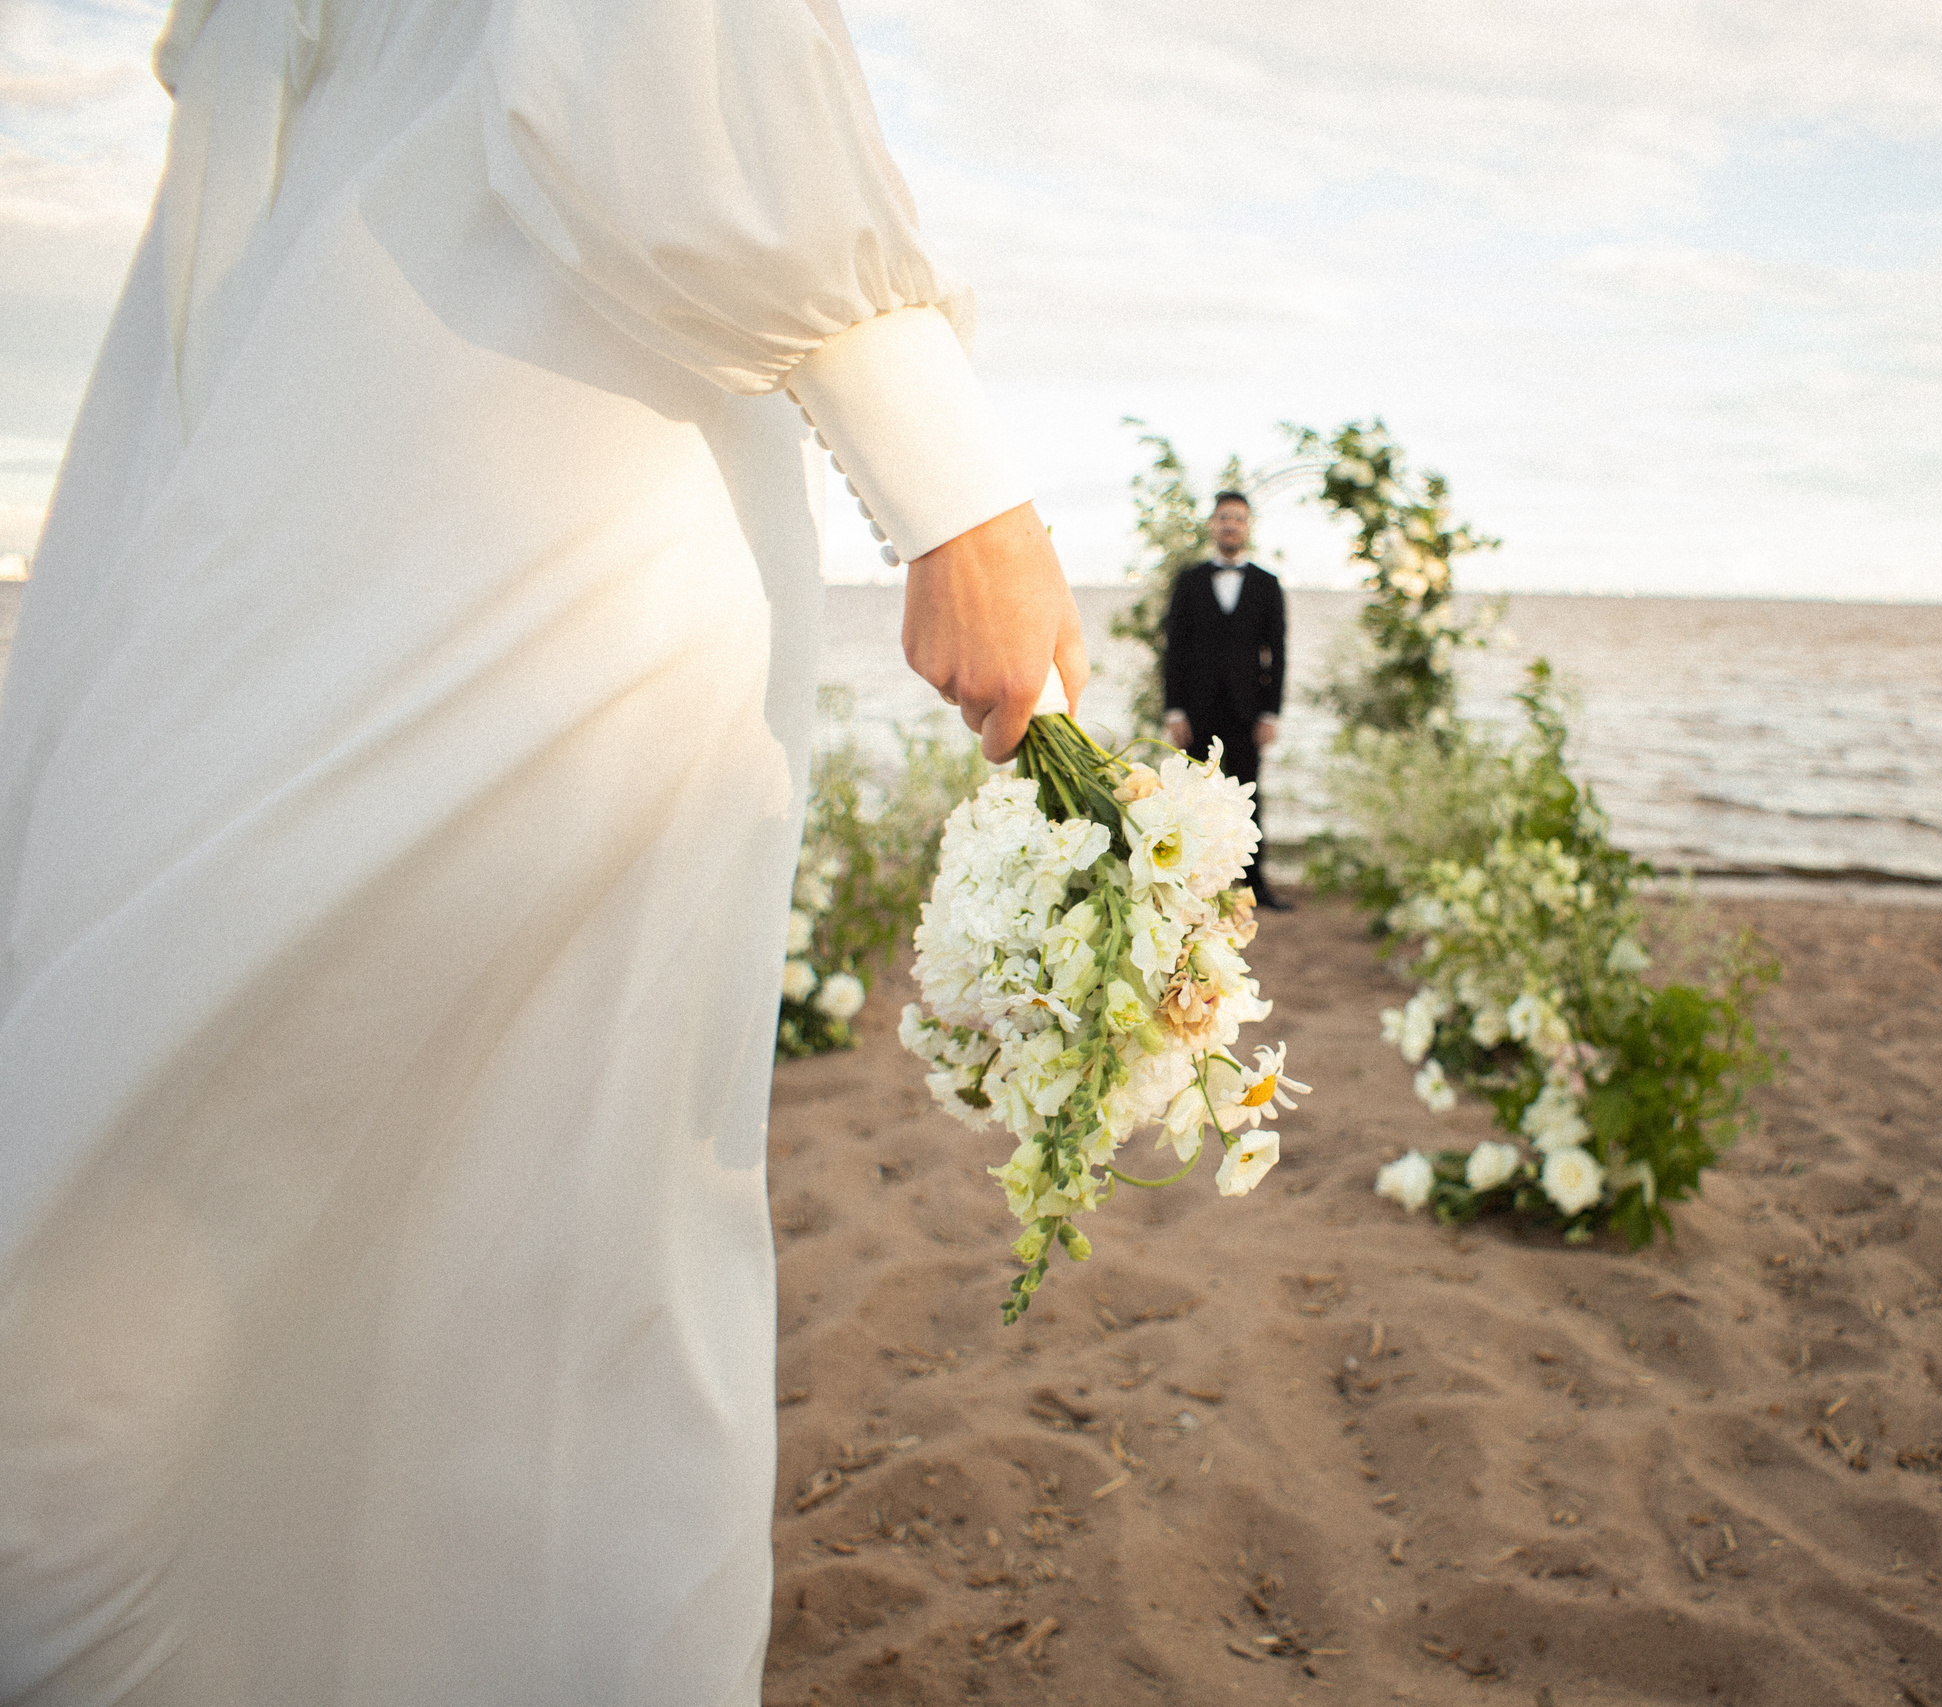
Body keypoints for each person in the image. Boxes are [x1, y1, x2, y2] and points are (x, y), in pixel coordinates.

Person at [0, 3, 1081, 1702]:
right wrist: (947, 478)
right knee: (324, 1193)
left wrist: (939, 468)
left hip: (446, 425)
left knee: (534, 1214)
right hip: (467, 458)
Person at [1161, 490, 1291, 909]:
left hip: (1247, 710)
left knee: (1250, 794)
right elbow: (1175, 649)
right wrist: (1174, 710)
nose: (1230, 525)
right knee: (1193, 793)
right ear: (1213, 525)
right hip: (1195, 711)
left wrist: (1271, 712)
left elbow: (1277, 652)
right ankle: (1189, 881)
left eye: (1237, 518)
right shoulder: (1189, 580)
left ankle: (1255, 886)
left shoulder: (1267, 585)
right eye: (1223, 518)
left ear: (1248, 526)